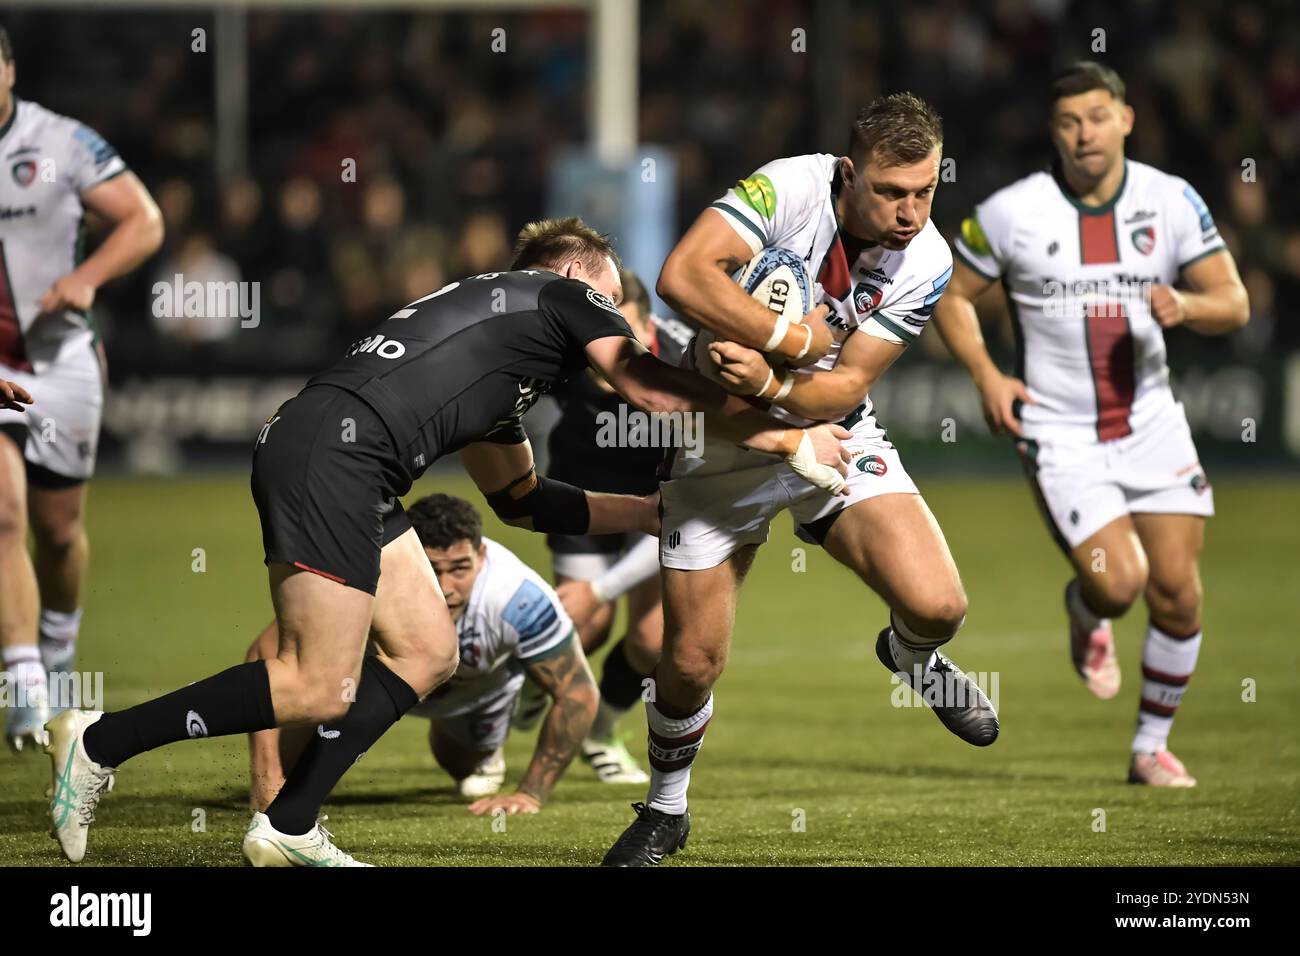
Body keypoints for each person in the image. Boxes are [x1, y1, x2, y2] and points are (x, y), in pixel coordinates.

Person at [44, 216, 850, 866]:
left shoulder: (500, 360)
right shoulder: (553, 292)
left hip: (343, 456)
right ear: (576, 282)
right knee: (317, 684)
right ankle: (99, 739)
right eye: (611, 302)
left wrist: (644, 513)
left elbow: (526, 502)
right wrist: (783, 434)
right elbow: (639, 381)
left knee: (428, 651)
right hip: (336, 457)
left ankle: (289, 825)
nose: (619, 317)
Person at [603, 94, 999, 866]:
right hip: (718, 434)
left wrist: (777, 375)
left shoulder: (928, 260)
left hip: (828, 429)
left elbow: (843, 386)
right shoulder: (787, 189)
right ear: (851, 174)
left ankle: (911, 656)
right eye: (891, 192)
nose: (910, 213)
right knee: (686, 663)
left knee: (939, 604)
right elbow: (682, 274)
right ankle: (666, 810)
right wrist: (783, 341)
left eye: (924, 192)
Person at [933, 62, 1249, 787]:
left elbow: (1233, 300)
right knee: (1118, 584)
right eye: (1071, 121)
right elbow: (953, 294)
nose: (1086, 134)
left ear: (1126, 119)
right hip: (1060, 433)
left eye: (1099, 117)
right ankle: (1085, 607)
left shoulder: (1171, 201)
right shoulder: (1015, 211)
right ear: (1055, 132)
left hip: (1152, 425)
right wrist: (988, 375)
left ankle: (1149, 747)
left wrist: (1188, 307)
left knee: (1179, 590)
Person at [0, 26, 164, 750]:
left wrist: (85, 280)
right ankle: (25, 685)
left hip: (61, 360)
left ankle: (58, 647)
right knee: (3, 517)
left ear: (7, 68)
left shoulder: (60, 141)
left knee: (57, 532)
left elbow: (144, 220)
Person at [246, 494, 598, 822]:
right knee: (291, 767)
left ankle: (505, 717)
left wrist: (530, 794)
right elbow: (263, 652)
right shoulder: (365, 574)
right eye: (433, 569)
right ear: (408, 557)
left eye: (460, 568)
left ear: (482, 557)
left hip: (470, 692)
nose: (446, 588)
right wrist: (267, 776)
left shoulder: (517, 597)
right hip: (363, 685)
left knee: (460, 764)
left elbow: (578, 695)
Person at [520, 269, 692, 785]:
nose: (620, 346)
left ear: (648, 320)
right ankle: (515, 699)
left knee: (654, 640)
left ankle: (601, 732)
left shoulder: (685, 358)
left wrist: (601, 588)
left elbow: (679, 509)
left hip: (662, 493)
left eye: (629, 329)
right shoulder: (568, 350)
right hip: (583, 487)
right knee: (584, 625)